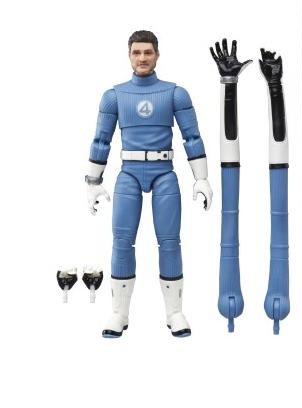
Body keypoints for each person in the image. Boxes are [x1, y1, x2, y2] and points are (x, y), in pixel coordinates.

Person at [85, 30, 213, 337]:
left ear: (157, 55)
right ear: (129, 55)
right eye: (136, 52)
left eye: (148, 52)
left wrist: (201, 178)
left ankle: (175, 312)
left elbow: (192, 137)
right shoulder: (114, 96)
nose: (142, 58)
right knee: (121, 241)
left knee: (169, 241)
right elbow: (101, 140)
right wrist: (93, 181)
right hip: (128, 173)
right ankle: (119, 313)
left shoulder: (175, 94)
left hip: (164, 172)